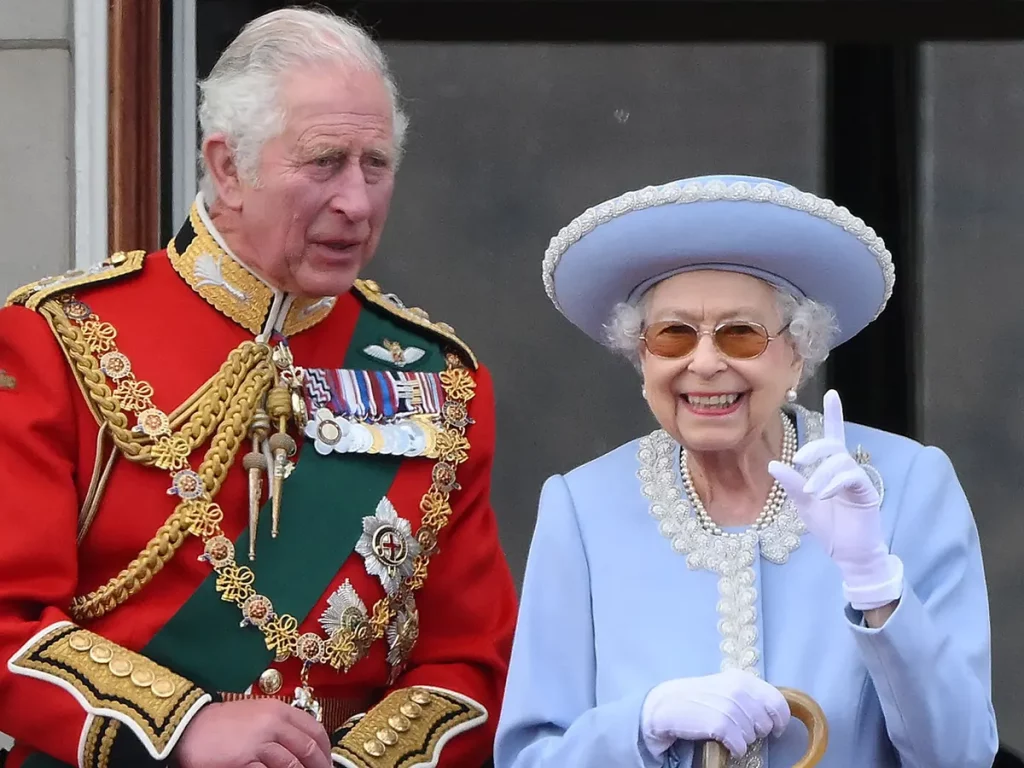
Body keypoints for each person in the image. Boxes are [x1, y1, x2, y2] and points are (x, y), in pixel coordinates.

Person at [0, 7, 516, 768]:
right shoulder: (59, 338)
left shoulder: (438, 378)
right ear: (227, 165)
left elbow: (473, 663)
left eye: (375, 165)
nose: (358, 202)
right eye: (324, 162)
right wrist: (181, 730)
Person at [493, 174, 997, 767]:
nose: (704, 363)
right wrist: (641, 725)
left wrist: (876, 584)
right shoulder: (581, 508)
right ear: (642, 356)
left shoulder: (910, 486)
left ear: (799, 353)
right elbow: (528, 758)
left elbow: (961, 756)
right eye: (673, 335)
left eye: (741, 335)